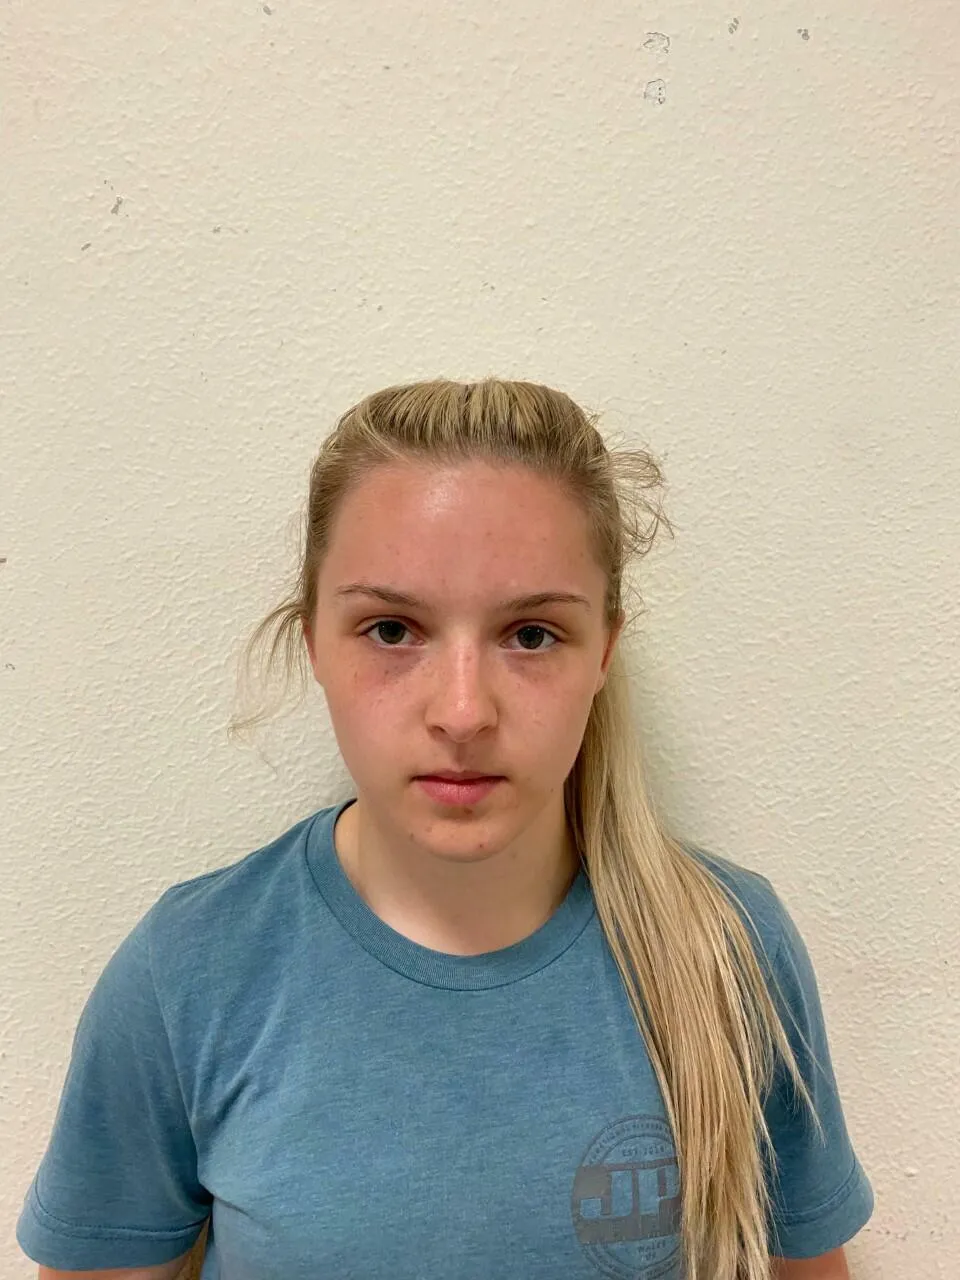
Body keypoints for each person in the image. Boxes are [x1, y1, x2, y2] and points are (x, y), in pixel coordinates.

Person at [17, 378, 873, 1280]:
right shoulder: (191, 973)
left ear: (603, 652)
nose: (463, 712)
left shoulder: (727, 951)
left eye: (531, 635)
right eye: (392, 629)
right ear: (313, 643)